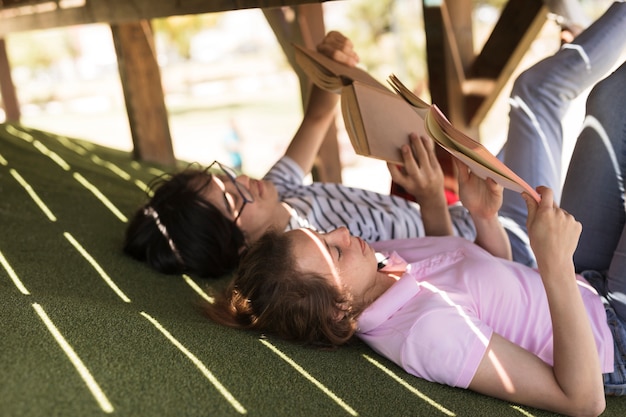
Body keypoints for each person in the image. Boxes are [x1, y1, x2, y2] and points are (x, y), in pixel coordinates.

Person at [205, 3, 626, 415]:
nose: (341, 233)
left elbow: (500, 288)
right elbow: (584, 401)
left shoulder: (380, 264)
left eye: (323, 233)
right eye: (333, 251)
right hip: (612, 337)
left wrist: (481, 216)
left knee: (613, 96)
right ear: (338, 309)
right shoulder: (425, 333)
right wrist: (553, 264)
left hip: (584, 285)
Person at [123, 31, 476, 279]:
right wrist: (430, 199)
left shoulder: (276, 192)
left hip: (463, 215)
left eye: (227, 177)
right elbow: (446, 266)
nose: (244, 180)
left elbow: (319, 115)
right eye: (233, 199)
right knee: (530, 91)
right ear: (240, 248)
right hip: (482, 245)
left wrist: (330, 62)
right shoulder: (319, 252)